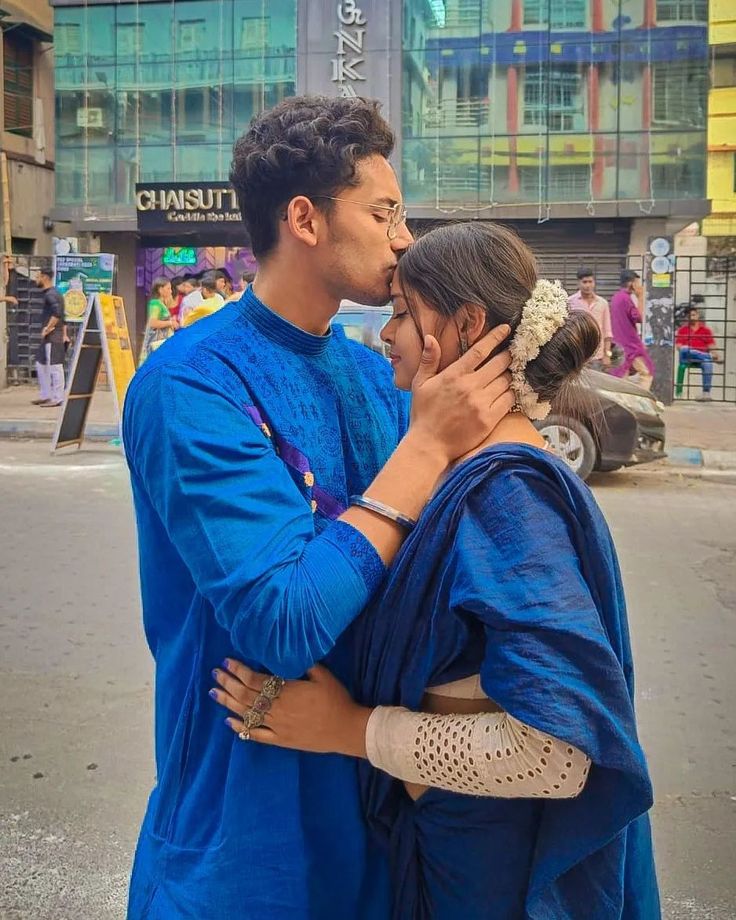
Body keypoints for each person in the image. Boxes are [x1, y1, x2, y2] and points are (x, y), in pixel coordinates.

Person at [121, 95, 513, 920]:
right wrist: (425, 449)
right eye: (383, 212)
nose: (405, 238)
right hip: (242, 842)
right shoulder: (194, 383)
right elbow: (283, 621)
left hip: (382, 826)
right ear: (305, 217)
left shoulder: (378, 377)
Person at [212, 223, 661, 920]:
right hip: (460, 853)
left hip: (485, 876)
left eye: (401, 313)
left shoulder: (504, 491)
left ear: (466, 326)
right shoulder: (475, 471)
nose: (386, 334)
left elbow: (553, 754)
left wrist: (350, 729)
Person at [609, 269, 654, 390]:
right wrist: (640, 297)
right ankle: (640, 401)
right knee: (647, 373)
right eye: (637, 283)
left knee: (621, 377)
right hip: (631, 344)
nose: (639, 286)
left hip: (618, 344)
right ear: (632, 283)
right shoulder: (626, 299)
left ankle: (624, 403)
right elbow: (639, 317)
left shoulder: (616, 298)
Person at [34, 268, 68, 407]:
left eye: (38, 277)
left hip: (53, 336)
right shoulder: (52, 293)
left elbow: (57, 313)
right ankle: (46, 394)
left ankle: (58, 397)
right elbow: (63, 316)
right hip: (51, 336)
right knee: (41, 363)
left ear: (45, 278)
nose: (36, 279)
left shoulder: (51, 295)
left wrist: (47, 329)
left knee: (55, 366)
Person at [568, 267, 613, 369]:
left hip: (597, 356)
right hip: (577, 356)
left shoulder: (602, 303)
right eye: (584, 282)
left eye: (590, 281)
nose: (587, 285)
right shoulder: (570, 302)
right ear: (578, 283)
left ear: (594, 282)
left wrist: (607, 354)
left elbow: (607, 331)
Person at [675, 306, 722, 401]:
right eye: (689, 316)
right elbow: (679, 346)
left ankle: (706, 393)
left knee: (707, 363)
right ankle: (708, 356)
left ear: (697, 315)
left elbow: (711, 346)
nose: (691, 317)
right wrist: (691, 350)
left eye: (693, 315)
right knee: (684, 348)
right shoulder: (683, 330)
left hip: (701, 359)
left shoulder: (706, 330)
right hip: (687, 357)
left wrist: (715, 353)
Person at [138, 276, 178, 366]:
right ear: (160, 289)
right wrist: (170, 323)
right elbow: (153, 323)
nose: (171, 291)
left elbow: (173, 304)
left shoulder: (162, 304)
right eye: (168, 288)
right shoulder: (155, 304)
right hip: (155, 341)